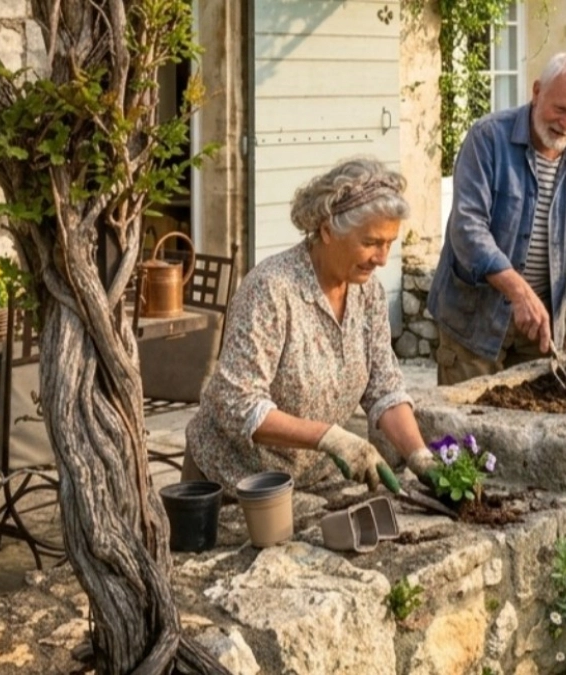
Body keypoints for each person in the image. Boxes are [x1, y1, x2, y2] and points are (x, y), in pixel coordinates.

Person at [183, 157, 436, 494]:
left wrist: (421, 458)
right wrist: (329, 437)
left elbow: (384, 387)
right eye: (372, 242)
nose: (382, 258)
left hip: (312, 482)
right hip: (234, 483)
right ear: (328, 230)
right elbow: (237, 402)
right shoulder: (272, 289)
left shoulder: (368, 293)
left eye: (389, 243)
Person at [428, 52, 566, 386]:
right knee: (467, 432)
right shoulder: (486, 138)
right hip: (474, 323)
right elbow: (467, 229)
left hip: (538, 330)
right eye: (561, 109)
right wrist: (519, 293)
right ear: (537, 92)